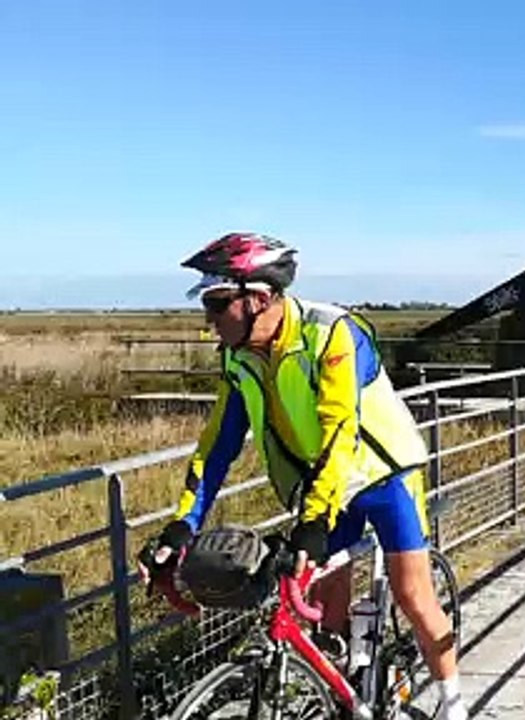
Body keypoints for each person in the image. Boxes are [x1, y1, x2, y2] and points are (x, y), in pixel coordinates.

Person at [138, 232, 467, 720]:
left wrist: (312, 523)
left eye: (217, 303)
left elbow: (340, 429)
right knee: (320, 602)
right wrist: (182, 525)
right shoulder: (239, 357)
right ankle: (344, 691)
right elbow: (218, 447)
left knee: (413, 595)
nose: (209, 319)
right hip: (321, 484)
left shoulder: (330, 333)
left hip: (383, 474)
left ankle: (454, 704)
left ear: (259, 298)